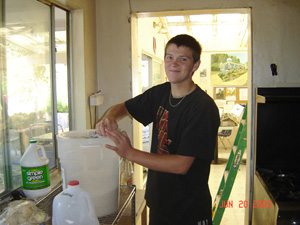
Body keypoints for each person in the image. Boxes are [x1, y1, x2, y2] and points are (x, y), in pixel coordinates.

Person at [96, 34, 220, 225]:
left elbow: (181, 165)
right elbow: (125, 107)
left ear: (195, 65)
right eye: (169, 57)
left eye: (183, 59)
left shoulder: (203, 108)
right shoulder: (160, 93)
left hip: (188, 211)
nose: (174, 64)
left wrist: (129, 153)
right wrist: (109, 117)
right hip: (159, 203)